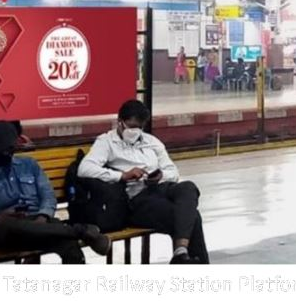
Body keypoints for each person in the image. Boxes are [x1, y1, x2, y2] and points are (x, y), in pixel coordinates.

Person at [78, 100, 209, 263]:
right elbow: (85, 168)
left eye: (139, 127)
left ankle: (181, 255)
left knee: (188, 187)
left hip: (160, 188)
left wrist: (160, 176)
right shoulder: (106, 142)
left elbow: (173, 171)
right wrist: (122, 176)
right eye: (131, 126)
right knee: (192, 217)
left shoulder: (151, 142)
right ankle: (184, 256)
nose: (134, 131)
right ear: (120, 122)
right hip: (137, 200)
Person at [0, 121, 111, 264]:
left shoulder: (29, 165)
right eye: (3, 149)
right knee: (9, 224)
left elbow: (48, 196)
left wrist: (43, 216)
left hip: (40, 223)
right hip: (9, 233)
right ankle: (81, 231)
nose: (7, 153)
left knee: (70, 247)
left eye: (11, 149)